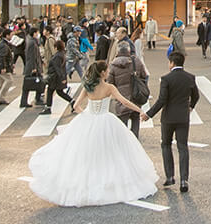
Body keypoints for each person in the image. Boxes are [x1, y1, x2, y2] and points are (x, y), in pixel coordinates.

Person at [27, 58, 155, 207]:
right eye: (106, 70)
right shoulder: (109, 87)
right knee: (111, 153)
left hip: (89, 120)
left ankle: (87, 183)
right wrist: (139, 109)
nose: (108, 72)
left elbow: (75, 106)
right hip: (105, 120)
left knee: (87, 154)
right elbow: (124, 102)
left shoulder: (87, 87)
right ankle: (108, 182)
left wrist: (85, 114)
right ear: (102, 73)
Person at [141, 51, 199, 194]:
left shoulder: (166, 79)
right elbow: (196, 96)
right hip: (183, 117)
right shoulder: (190, 77)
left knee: (166, 144)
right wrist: (190, 107)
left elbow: (162, 100)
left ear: (172, 63)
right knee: (182, 147)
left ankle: (170, 176)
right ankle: (184, 180)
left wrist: (149, 114)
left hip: (168, 118)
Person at [105, 41, 147, 138]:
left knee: (122, 127)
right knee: (135, 123)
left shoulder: (113, 65)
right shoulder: (136, 61)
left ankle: (124, 145)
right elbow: (144, 76)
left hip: (121, 101)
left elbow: (110, 82)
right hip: (136, 98)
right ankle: (135, 143)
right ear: (128, 50)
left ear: (118, 51)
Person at [40, 40, 74, 115]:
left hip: (55, 78)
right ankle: (72, 102)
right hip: (58, 77)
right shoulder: (62, 54)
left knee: (50, 91)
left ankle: (48, 108)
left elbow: (57, 68)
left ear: (56, 47)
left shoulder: (57, 56)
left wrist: (62, 79)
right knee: (59, 92)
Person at [20, 28, 43, 108]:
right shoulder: (32, 43)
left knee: (32, 83)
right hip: (32, 67)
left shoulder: (32, 42)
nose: (38, 34)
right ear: (34, 33)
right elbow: (32, 56)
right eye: (37, 32)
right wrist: (34, 67)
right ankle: (37, 99)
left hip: (33, 66)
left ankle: (35, 99)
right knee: (31, 83)